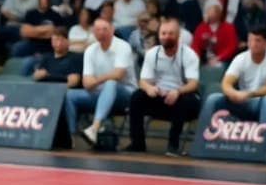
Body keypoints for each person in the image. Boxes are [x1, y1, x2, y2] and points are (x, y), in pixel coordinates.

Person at [126, 17, 201, 156]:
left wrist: (177, 91)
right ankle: (137, 143)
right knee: (137, 96)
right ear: (159, 35)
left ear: (178, 36)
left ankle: (173, 146)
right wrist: (150, 88)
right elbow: (143, 81)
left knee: (183, 101)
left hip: (185, 98)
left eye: (170, 33)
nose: (166, 37)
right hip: (160, 97)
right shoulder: (152, 54)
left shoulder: (189, 55)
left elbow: (193, 84)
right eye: (163, 33)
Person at [65, 18, 137, 148]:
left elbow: (118, 75)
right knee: (70, 95)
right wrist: (95, 82)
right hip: (99, 93)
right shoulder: (90, 50)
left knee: (111, 83)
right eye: (98, 29)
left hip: (126, 94)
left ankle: (94, 128)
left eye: (105, 29)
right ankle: (70, 137)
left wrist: (97, 80)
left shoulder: (123, 46)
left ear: (112, 30)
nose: (101, 32)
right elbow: (86, 83)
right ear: (93, 31)